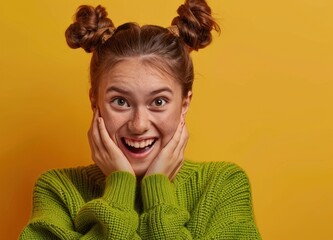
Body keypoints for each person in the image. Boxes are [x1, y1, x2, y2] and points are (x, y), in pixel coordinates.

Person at [19, 0, 261, 239]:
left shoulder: (222, 185)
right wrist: (120, 186)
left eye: (158, 102)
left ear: (184, 104)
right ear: (95, 101)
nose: (139, 125)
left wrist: (158, 190)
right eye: (120, 102)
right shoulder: (58, 190)